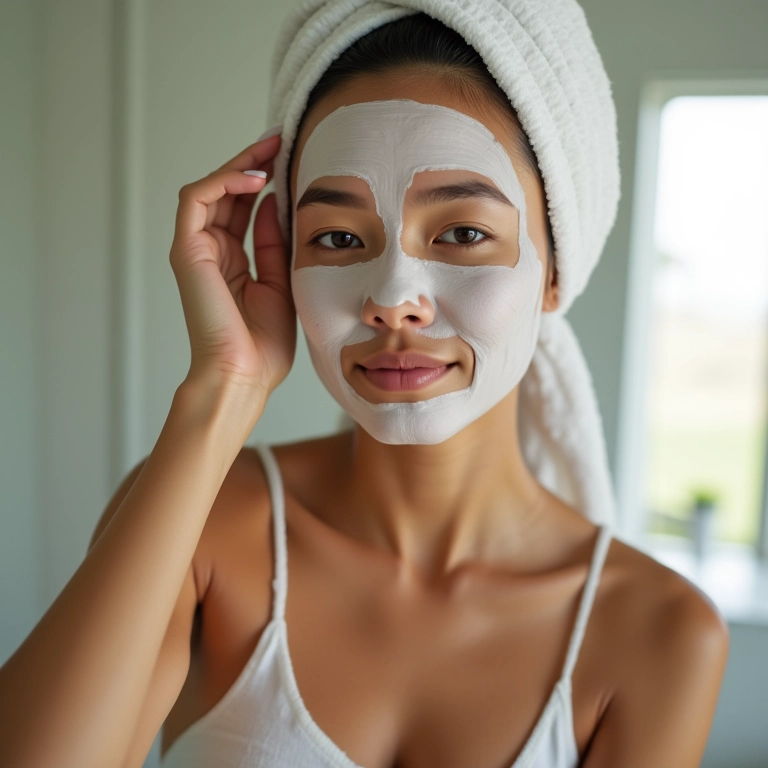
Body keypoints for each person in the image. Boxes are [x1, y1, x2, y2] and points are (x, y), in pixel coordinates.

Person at [0, 5, 728, 768]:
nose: (392, 298)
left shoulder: (659, 632)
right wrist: (223, 389)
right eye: (339, 238)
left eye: (463, 233)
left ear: (556, 271)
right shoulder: (205, 522)